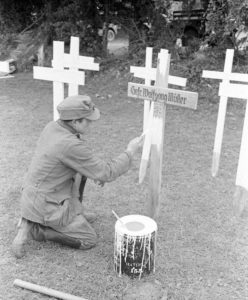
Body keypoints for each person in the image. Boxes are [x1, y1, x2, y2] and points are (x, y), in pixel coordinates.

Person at [12, 94, 144, 258]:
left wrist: (95, 173)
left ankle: (66, 213)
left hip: (38, 193)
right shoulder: (69, 144)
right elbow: (106, 172)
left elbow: (76, 163)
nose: (91, 123)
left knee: (82, 174)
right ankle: (40, 230)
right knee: (88, 239)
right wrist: (130, 152)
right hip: (45, 202)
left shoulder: (53, 127)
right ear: (75, 121)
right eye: (87, 120)